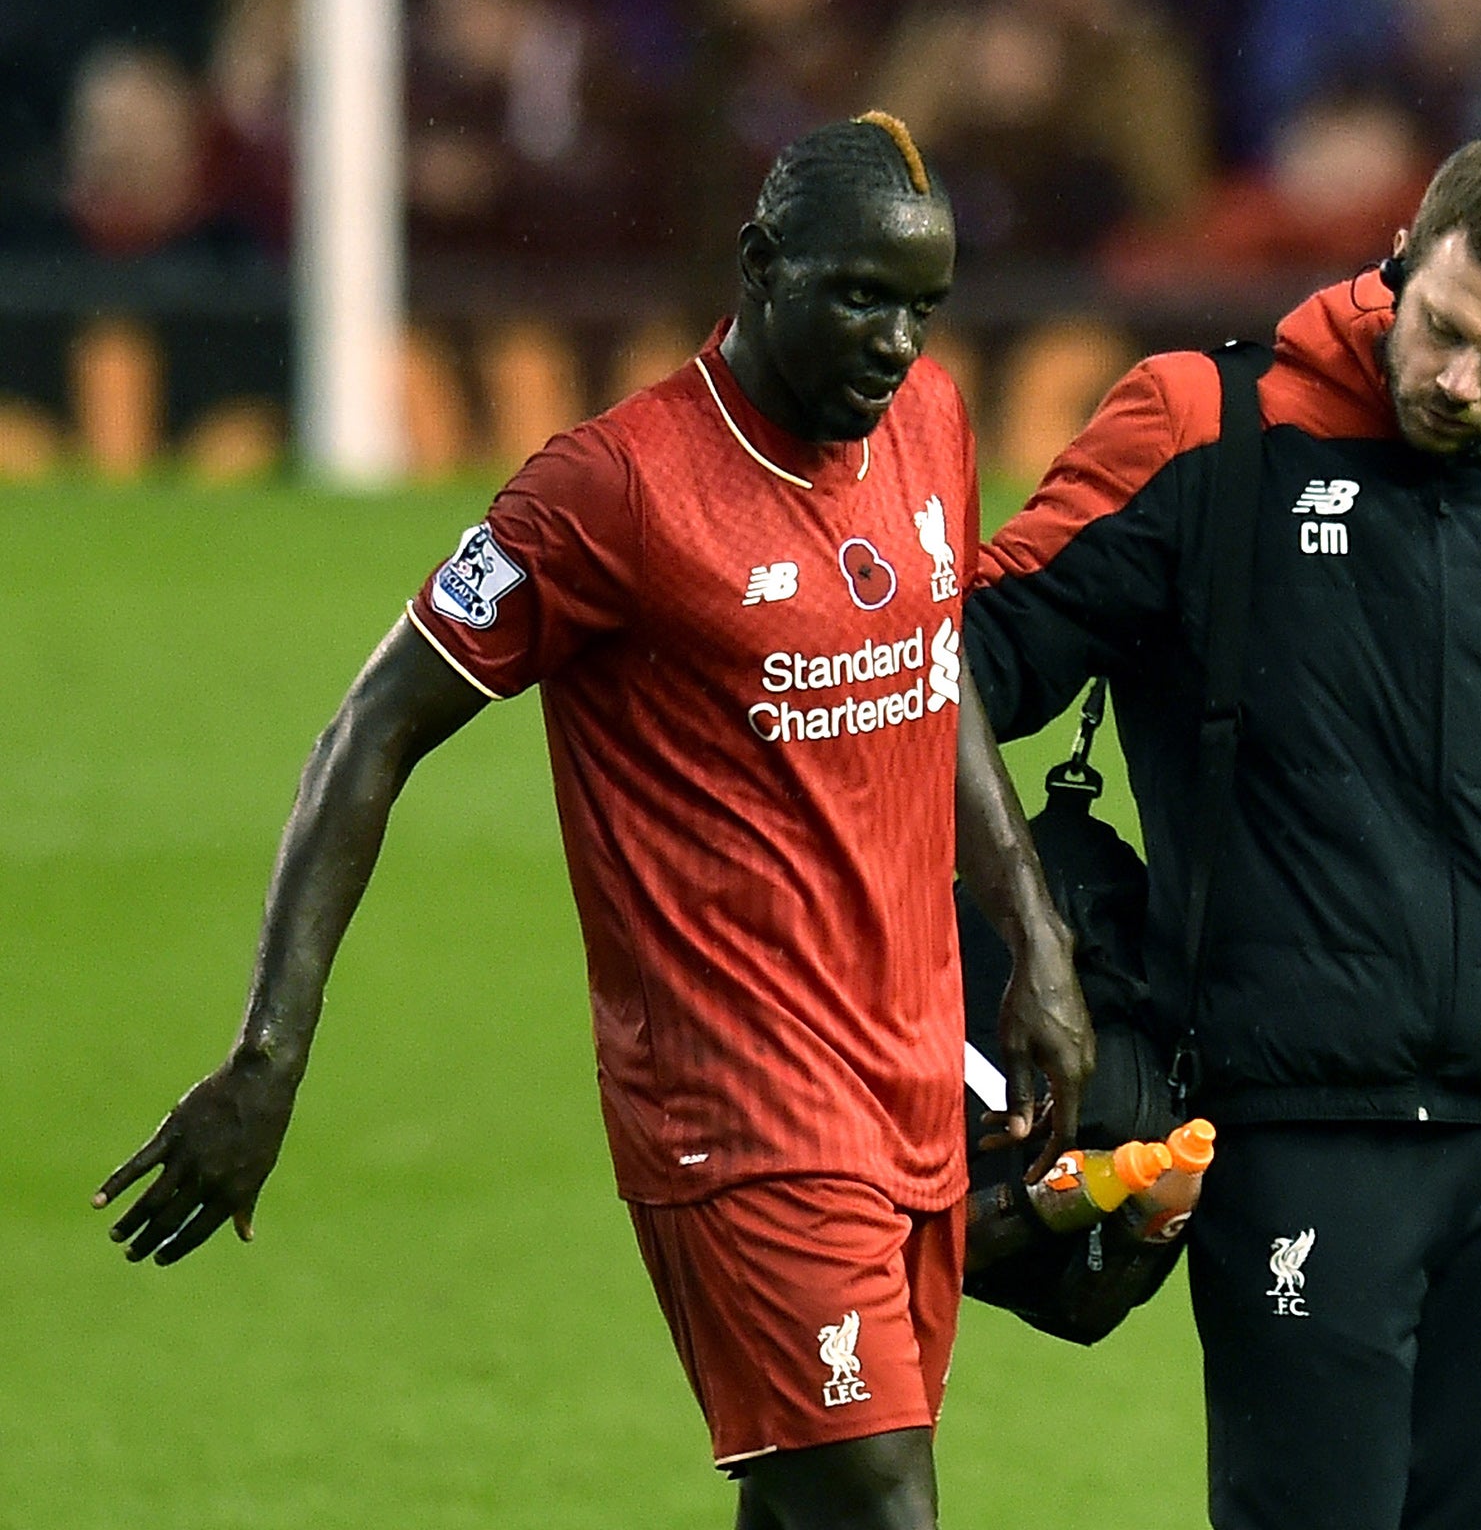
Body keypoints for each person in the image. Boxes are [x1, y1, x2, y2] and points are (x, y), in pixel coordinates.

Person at [93, 111, 1094, 1530]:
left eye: (922, 308)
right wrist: (268, 1052)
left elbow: (934, 677)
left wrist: (1035, 939)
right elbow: (367, 734)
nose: (895, 343)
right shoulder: (611, 493)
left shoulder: (925, 426)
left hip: (913, 1074)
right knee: (880, 1507)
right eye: (861, 297)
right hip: (738, 1109)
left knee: (809, 1503)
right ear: (759, 265)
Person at [964, 135, 1481, 1530]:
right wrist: (994, 940)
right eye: (1442, 331)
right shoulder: (1205, 428)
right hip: (1292, 1119)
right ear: (1403, 255)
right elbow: (957, 668)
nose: (1456, 383)